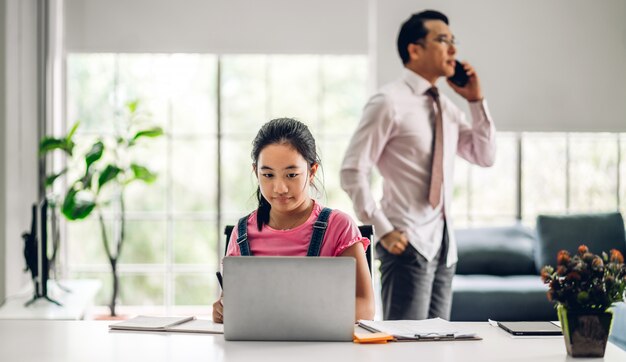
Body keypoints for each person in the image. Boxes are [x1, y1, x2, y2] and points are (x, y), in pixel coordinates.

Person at [340, 10, 496, 320]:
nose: (453, 49)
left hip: (443, 246)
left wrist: (476, 101)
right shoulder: (388, 102)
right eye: (442, 40)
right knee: (405, 348)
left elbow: (484, 155)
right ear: (415, 49)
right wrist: (383, 231)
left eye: (454, 41)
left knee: (437, 348)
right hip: (406, 243)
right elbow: (352, 170)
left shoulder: (448, 109)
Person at [212, 118, 375, 323]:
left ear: (312, 171)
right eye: (268, 175)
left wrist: (299, 319)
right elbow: (232, 303)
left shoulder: (339, 227)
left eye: (291, 174)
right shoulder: (242, 232)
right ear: (256, 172)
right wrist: (222, 310)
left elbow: (365, 306)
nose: (280, 188)